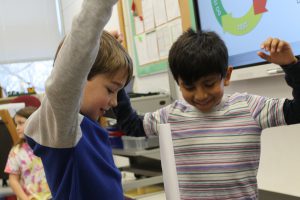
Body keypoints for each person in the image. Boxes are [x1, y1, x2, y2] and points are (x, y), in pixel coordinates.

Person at [113, 29, 300, 199]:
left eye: (209, 84)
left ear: (226, 76)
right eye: (189, 86)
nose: (200, 95)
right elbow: (131, 125)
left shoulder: (249, 107)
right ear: (178, 82)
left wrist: (291, 66)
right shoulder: (171, 115)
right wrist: (117, 75)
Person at [24, 0, 133, 199]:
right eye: (110, 90)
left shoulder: (89, 128)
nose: (115, 102)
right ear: (81, 76)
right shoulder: (63, 128)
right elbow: (71, 68)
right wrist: (98, 13)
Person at [4, 107, 51, 200]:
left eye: (21, 123)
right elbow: (13, 180)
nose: (17, 128)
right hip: (29, 197)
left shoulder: (50, 146)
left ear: (34, 122)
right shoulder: (16, 151)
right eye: (16, 124)